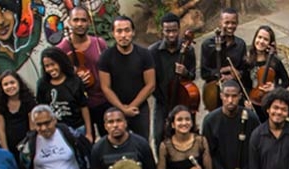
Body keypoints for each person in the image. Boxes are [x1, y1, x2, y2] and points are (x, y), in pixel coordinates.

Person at [202, 80, 262, 169]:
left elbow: (255, 152)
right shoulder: (210, 120)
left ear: (240, 96)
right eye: (227, 96)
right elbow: (209, 154)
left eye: (234, 96)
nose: (230, 100)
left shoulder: (251, 118)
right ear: (221, 96)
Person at [98, 16, 156, 140]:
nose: (123, 35)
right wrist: (122, 109)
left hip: (139, 108)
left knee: (143, 143)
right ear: (113, 33)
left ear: (133, 32)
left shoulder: (144, 54)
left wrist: (131, 107)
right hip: (114, 109)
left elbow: (150, 84)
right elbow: (105, 87)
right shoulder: (106, 57)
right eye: (119, 31)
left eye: (127, 30)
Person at [58, 6, 109, 137]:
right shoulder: (61, 49)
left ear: (89, 22)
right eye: (76, 20)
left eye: (83, 20)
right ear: (69, 22)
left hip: (102, 101)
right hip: (79, 106)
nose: (79, 24)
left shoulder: (100, 43)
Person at [149, 12, 197, 152]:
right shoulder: (153, 51)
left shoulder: (188, 50)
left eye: (174, 31)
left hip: (182, 101)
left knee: (188, 134)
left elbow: (193, 75)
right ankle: (162, 167)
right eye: (167, 31)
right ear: (162, 31)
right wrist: (164, 100)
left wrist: (185, 73)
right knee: (159, 135)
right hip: (162, 101)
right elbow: (152, 81)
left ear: (179, 29)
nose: (171, 35)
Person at [36, 47, 93, 144]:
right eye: (47, 66)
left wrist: (89, 133)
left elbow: (84, 107)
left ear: (61, 62)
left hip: (77, 129)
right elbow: (41, 109)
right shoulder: (42, 85)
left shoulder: (74, 81)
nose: (51, 69)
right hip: (55, 131)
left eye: (53, 64)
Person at [200, 8, 248, 107]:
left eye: (233, 23)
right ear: (220, 22)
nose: (230, 26)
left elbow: (244, 70)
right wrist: (221, 73)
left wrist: (236, 74)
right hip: (214, 90)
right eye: (227, 22)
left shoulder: (241, 44)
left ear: (237, 23)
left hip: (235, 90)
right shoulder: (207, 45)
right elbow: (204, 73)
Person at [245, 25, 289, 122]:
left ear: (270, 43)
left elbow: (287, 82)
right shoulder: (248, 60)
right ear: (255, 38)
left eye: (265, 39)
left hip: (270, 102)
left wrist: (275, 88)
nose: (261, 41)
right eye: (259, 37)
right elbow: (245, 83)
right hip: (252, 101)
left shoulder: (275, 62)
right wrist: (246, 99)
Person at [0, 70, 37, 164]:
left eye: (12, 82)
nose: (10, 86)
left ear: (19, 83)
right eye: (5, 84)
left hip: (26, 146)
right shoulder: (0, 105)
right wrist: (6, 152)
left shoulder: (28, 101)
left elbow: (32, 128)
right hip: (10, 147)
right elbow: (1, 130)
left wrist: (30, 148)